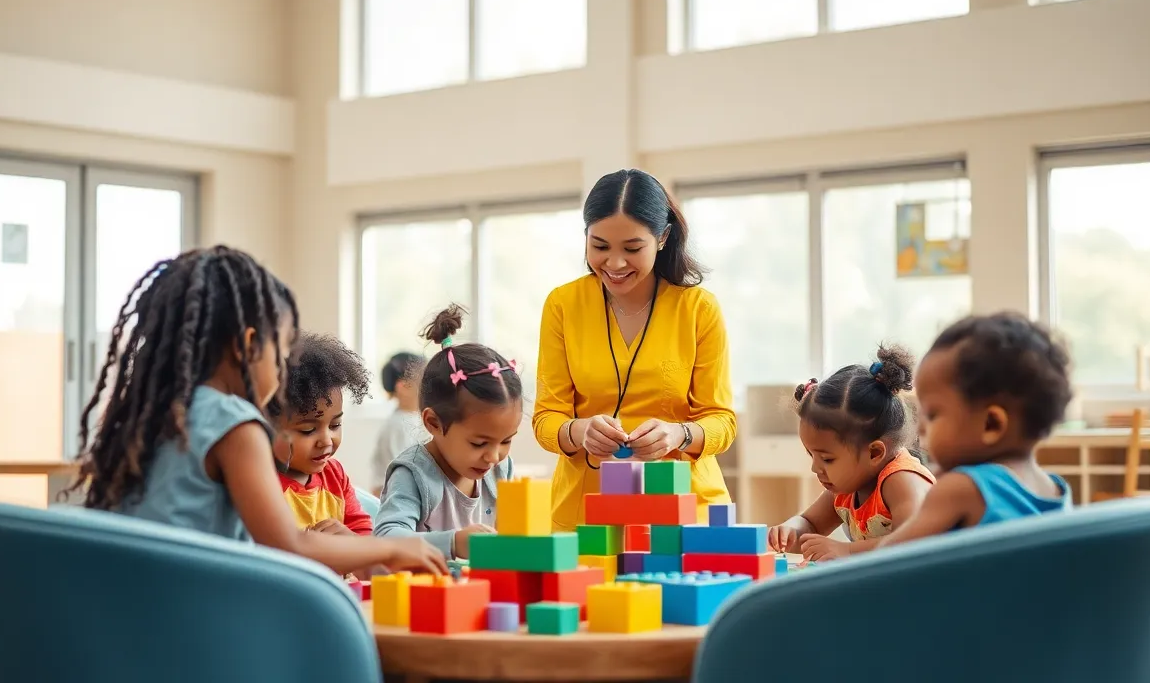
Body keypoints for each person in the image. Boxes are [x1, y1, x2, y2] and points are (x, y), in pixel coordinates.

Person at [70, 246, 445, 578]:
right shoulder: (234, 425)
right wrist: (393, 547)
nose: (283, 370)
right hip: (191, 615)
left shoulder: (155, 414)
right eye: (282, 354)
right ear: (248, 345)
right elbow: (288, 547)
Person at [534, 168, 735, 531]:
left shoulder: (698, 308)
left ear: (662, 238)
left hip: (683, 512)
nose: (614, 264)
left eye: (632, 248)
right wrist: (580, 432)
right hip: (587, 514)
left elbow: (722, 421)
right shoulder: (563, 305)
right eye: (599, 246)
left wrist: (679, 434)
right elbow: (546, 419)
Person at [879, 313, 1074, 549]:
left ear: (991, 424)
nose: (920, 427)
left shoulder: (962, 488)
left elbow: (889, 559)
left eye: (932, 415)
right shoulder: (1053, 489)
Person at [374, 305, 517, 560]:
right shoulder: (413, 473)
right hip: (425, 594)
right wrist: (453, 542)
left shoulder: (500, 470)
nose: (494, 456)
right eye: (479, 443)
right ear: (433, 423)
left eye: (506, 441)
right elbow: (386, 536)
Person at [767, 346, 936, 561]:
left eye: (827, 459)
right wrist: (790, 531)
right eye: (812, 455)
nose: (815, 468)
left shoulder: (902, 480)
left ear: (874, 452)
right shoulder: (846, 486)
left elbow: (915, 542)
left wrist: (846, 551)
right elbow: (812, 524)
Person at [270, 331, 373, 537]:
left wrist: (348, 539)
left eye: (335, 425)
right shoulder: (263, 481)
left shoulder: (334, 475)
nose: (326, 441)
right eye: (308, 430)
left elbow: (364, 535)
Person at [370, 351, 425, 494]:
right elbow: (404, 476)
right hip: (393, 500)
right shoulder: (398, 426)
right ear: (404, 387)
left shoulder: (417, 419)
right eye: (424, 381)